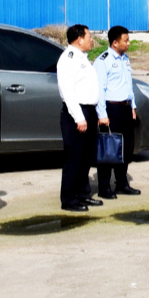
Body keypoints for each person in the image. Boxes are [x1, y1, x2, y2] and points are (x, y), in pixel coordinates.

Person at [58, 24, 109, 212]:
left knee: (86, 158)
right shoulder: (68, 59)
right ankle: (69, 200)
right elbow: (68, 92)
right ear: (79, 39)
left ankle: (83, 194)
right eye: (89, 36)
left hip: (89, 112)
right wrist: (79, 117)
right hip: (76, 114)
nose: (92, 39)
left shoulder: (83, 58)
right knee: (74, 158)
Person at [95, 25, 141, 199]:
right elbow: (100, 89)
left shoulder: (125, 59)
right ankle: (104, 187)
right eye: (126, 40)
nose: (128, 43)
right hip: (111, 108)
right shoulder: (103, 60)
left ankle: (122, 183)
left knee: (125, 148)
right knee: (109, 148)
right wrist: (102, 114)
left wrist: (133, 106)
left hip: (126, 108)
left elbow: (128, 84)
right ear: (115, 43)